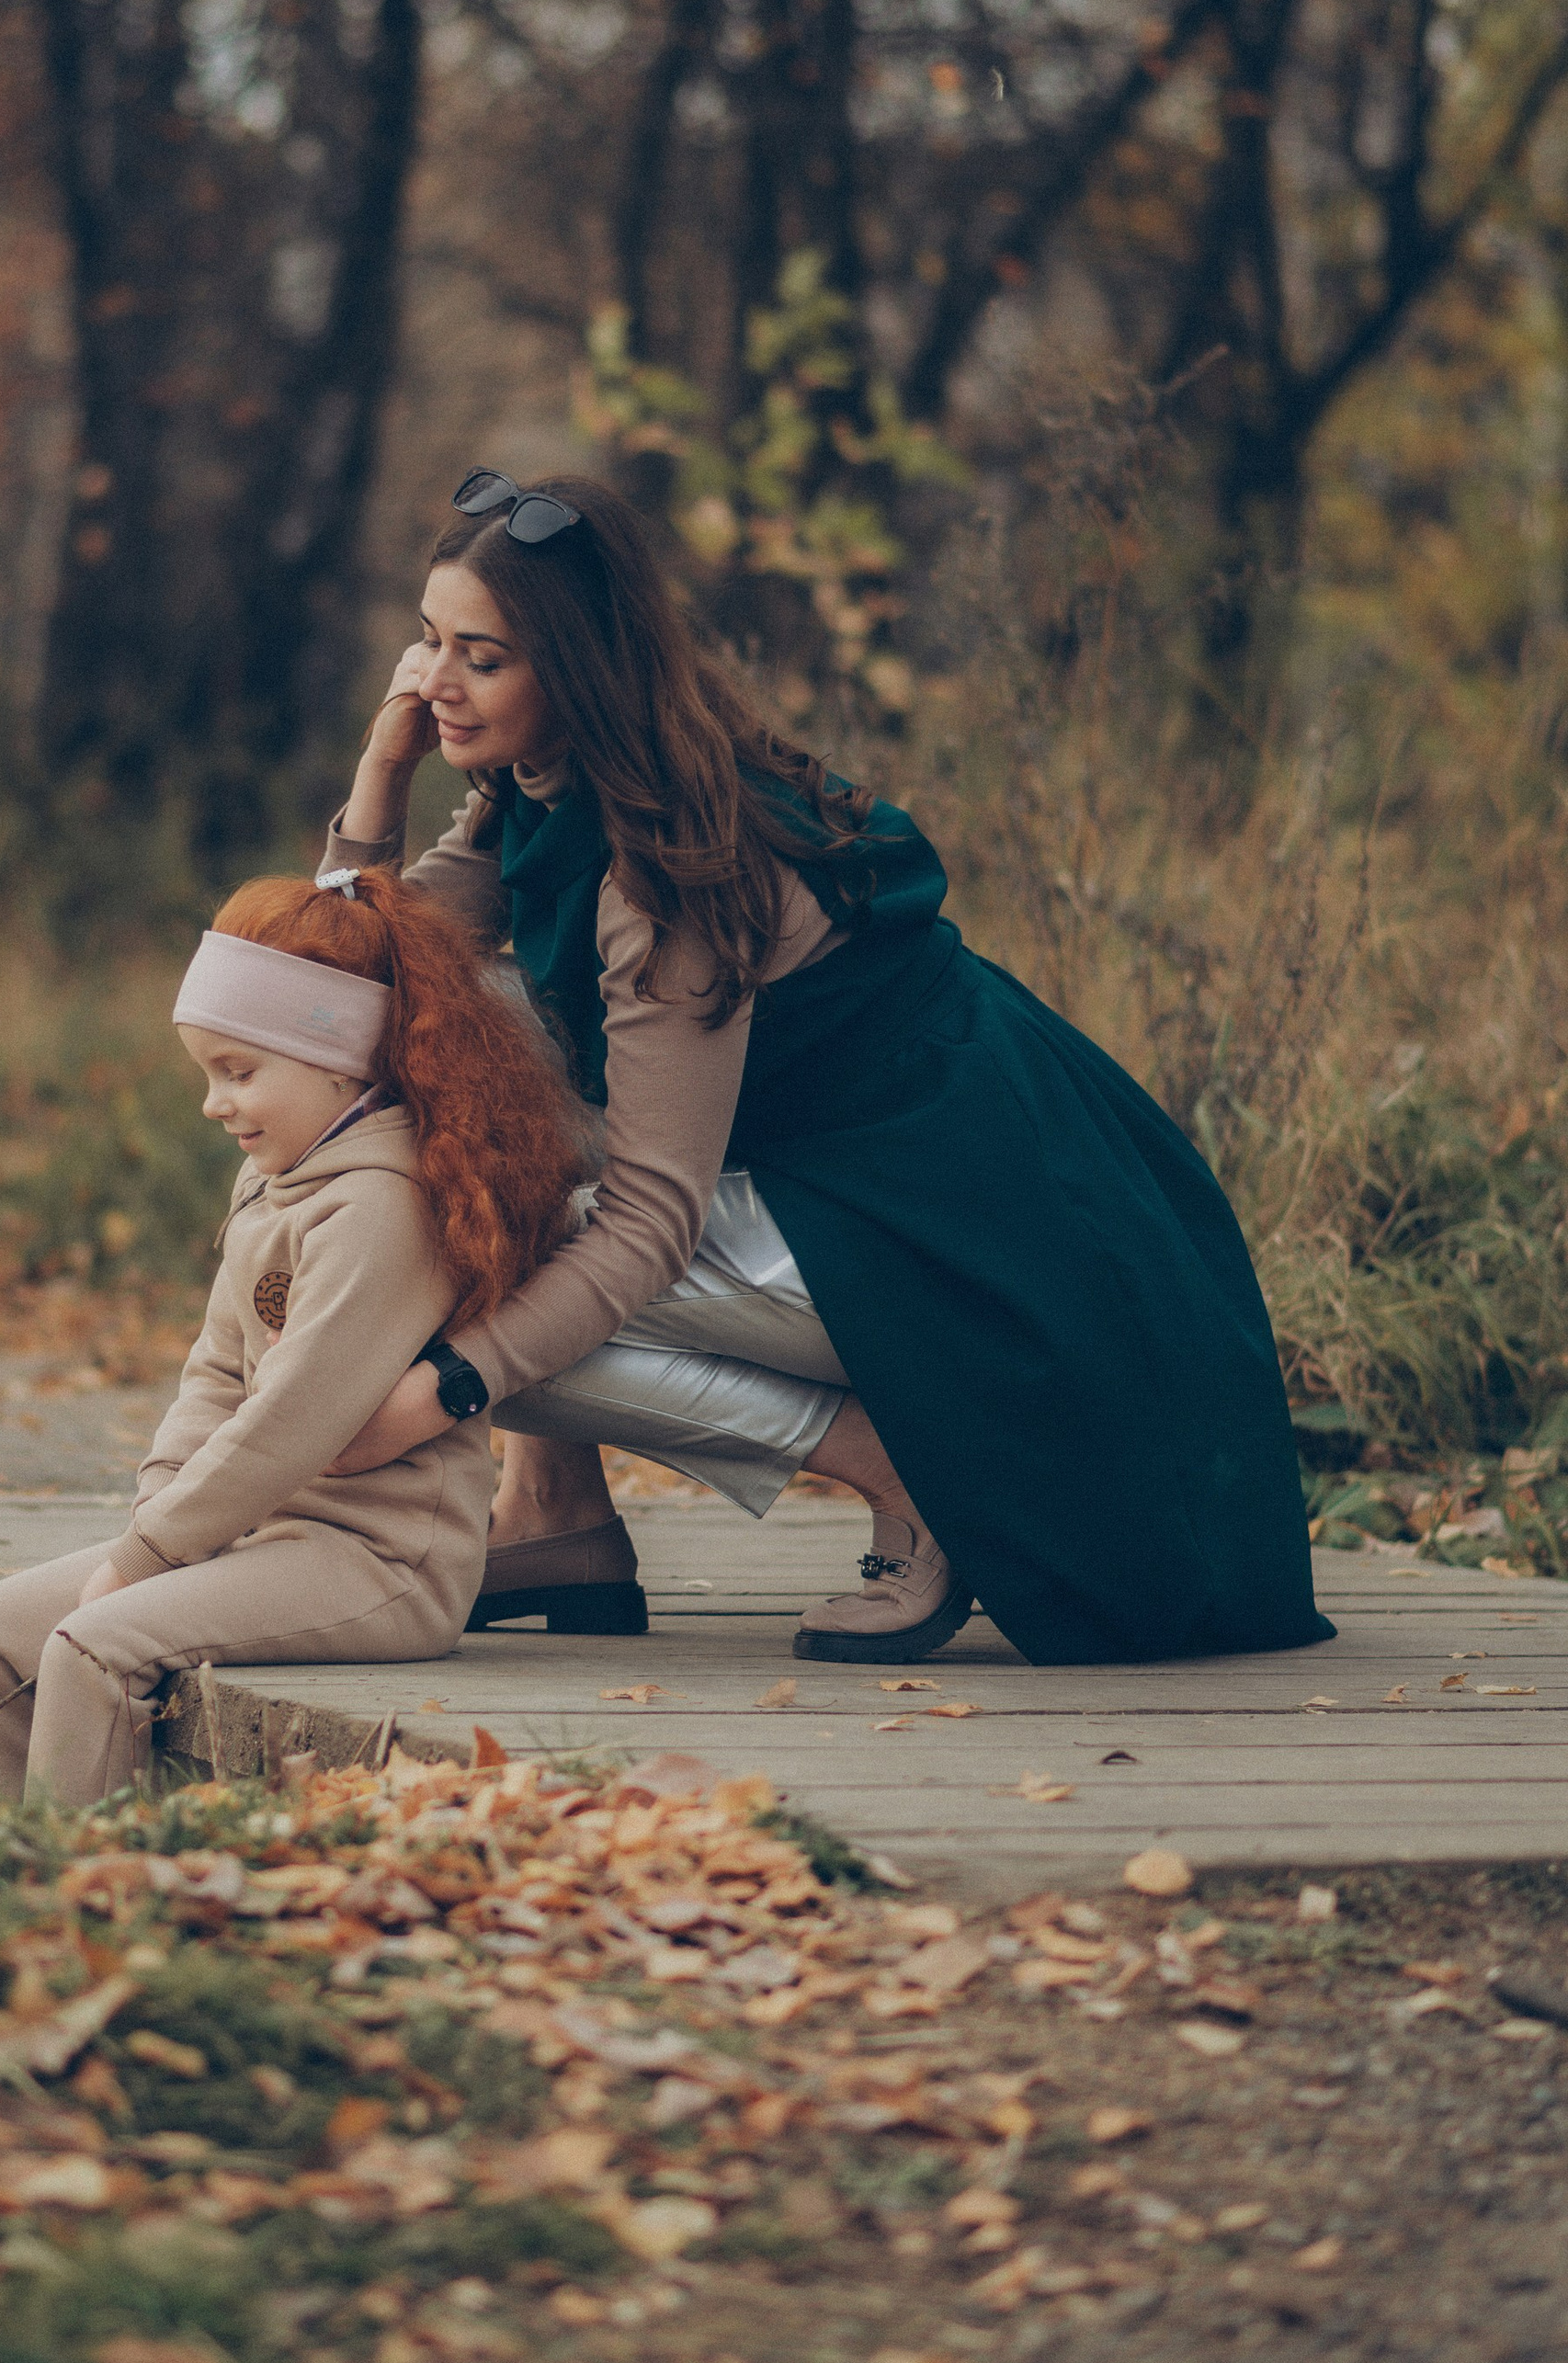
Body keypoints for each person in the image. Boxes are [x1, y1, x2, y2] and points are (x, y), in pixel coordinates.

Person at [318, 469, 1333, 1669]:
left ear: (580, 669)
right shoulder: (548, 791)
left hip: (985, 1254)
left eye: (479, 657)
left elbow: (646, 1225)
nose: (434, 681)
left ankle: (900, 1463)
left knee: (448, 1263)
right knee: (461, 1138)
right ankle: (556, 1519)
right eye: (429, 641)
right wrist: (380, 778)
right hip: (892, 1196)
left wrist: (448, 1389)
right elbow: (348, 981)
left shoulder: (663, 876)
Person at [0, 867, 581, 1801]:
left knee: (91, 1644)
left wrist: (151, 1559)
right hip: (263, 1537)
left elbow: (291, 1414)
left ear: (339, 1058)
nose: (215, 1102)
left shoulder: (383, 1206)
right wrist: (156, 1522)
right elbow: (214, 1375)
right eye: (209, 1073)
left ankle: (77, 1901)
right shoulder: (277, 1179)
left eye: (239, 1072)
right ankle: (5, 1869)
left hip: (380, 1563)